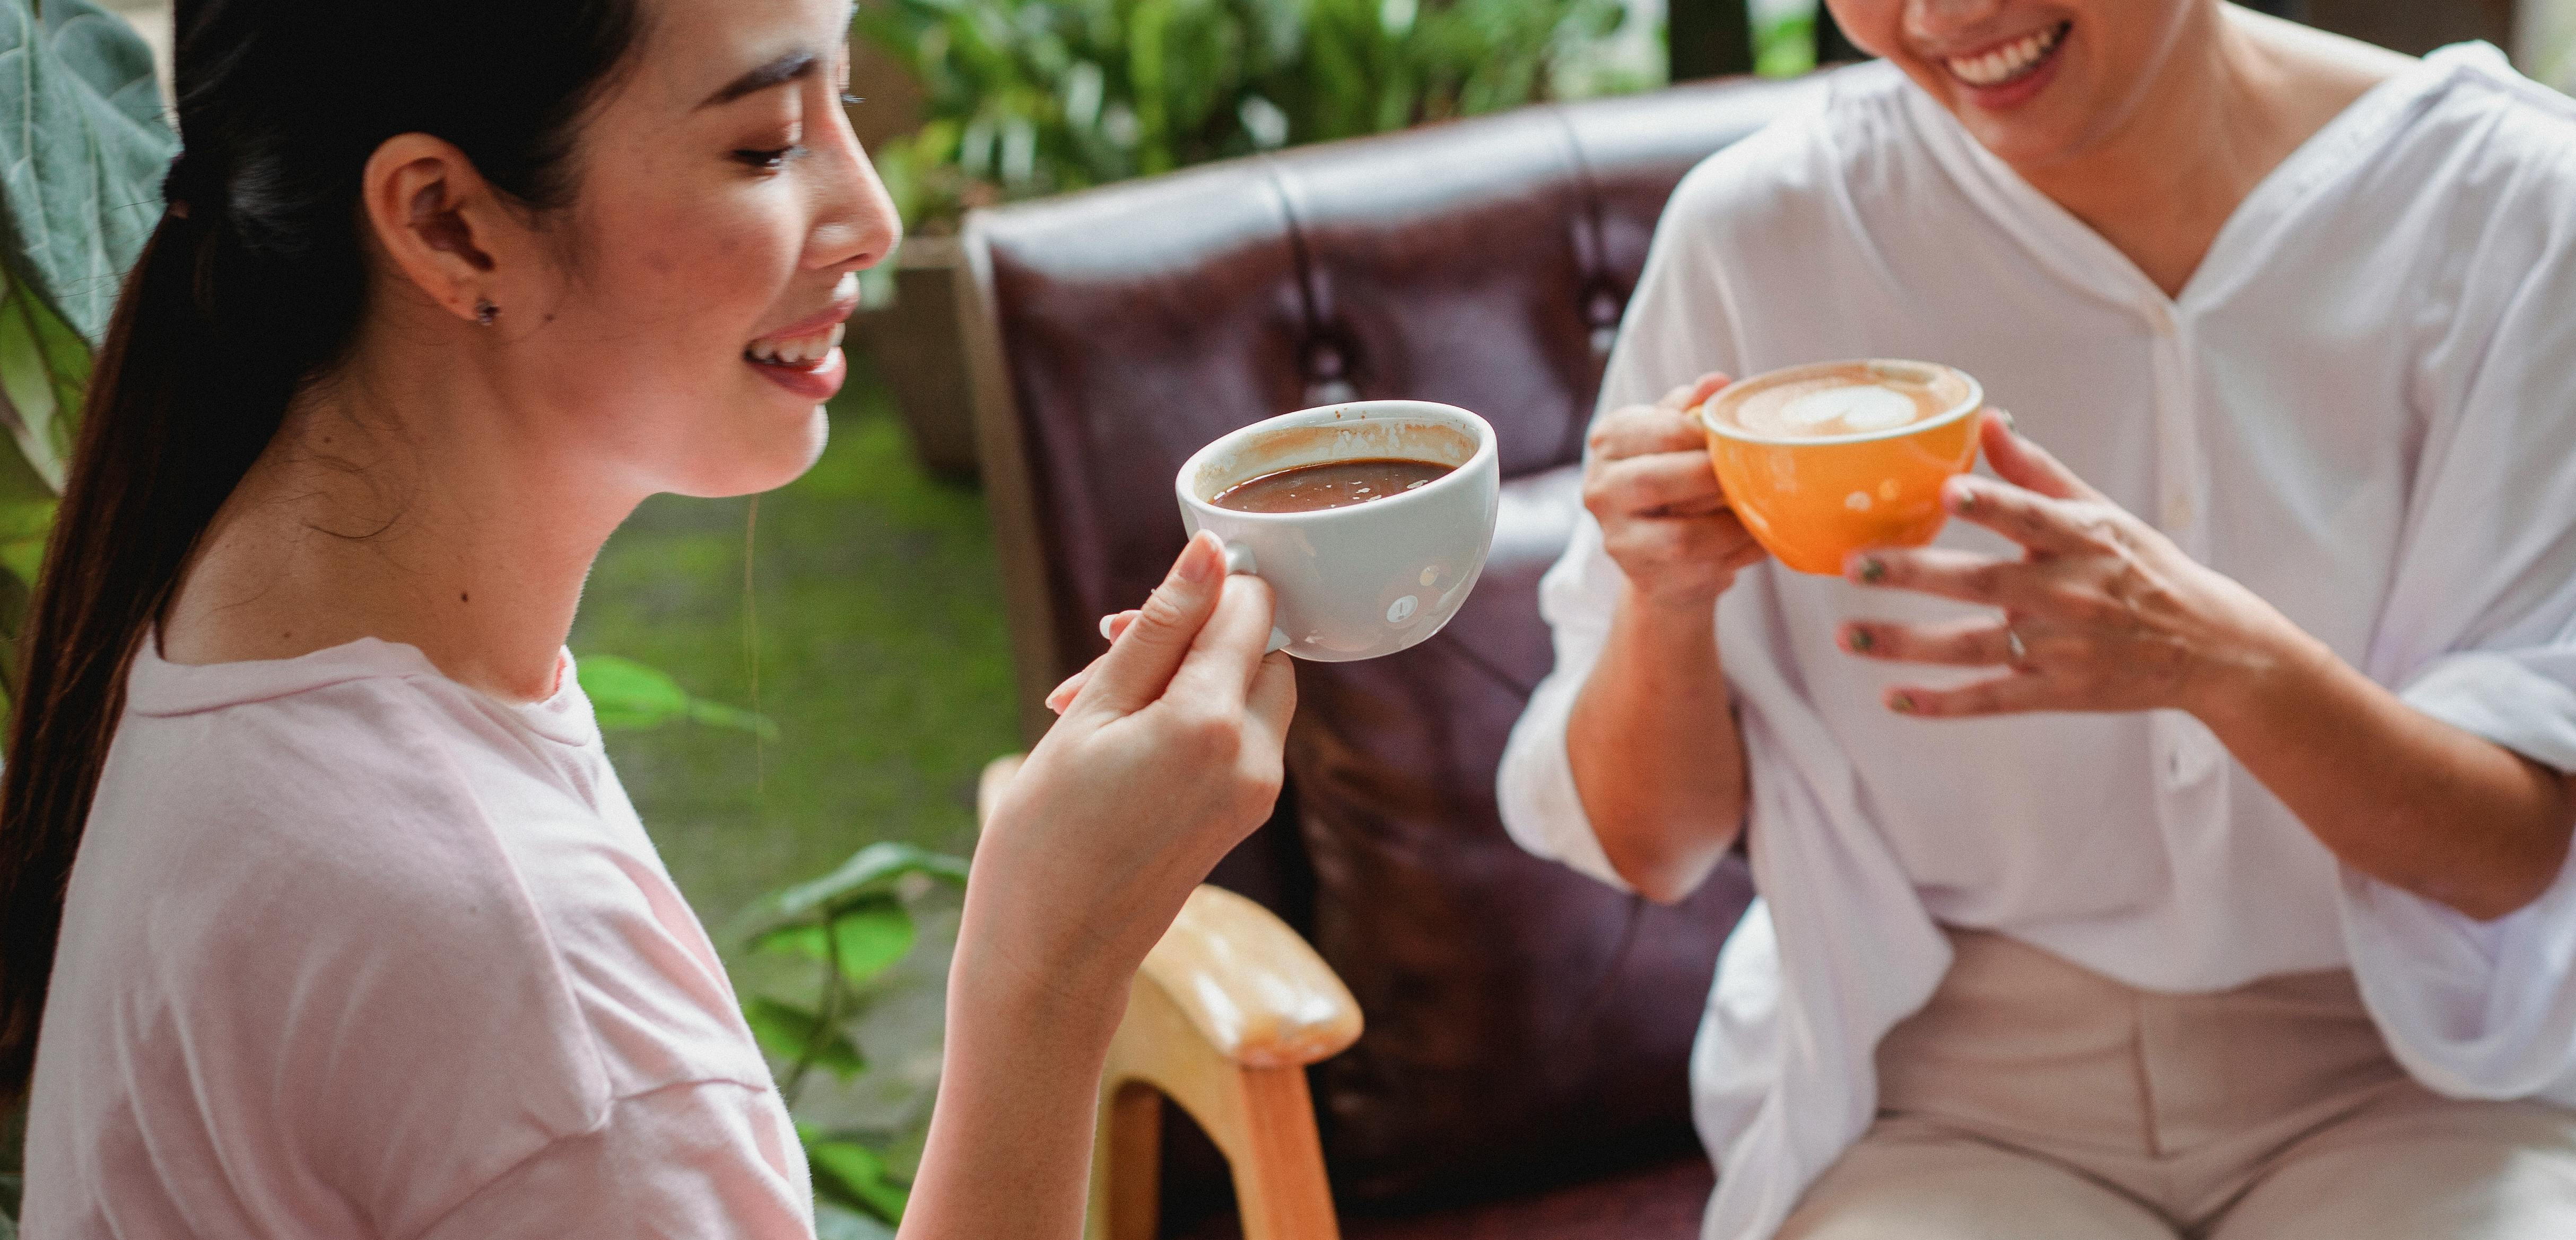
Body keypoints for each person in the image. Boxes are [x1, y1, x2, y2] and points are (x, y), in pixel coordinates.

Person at [0, 2, 1291, 1237]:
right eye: (767, 144)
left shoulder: (216, 628)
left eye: (840, 99)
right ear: (449, 225)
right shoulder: (506, 960)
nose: (872, 217)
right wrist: (1048, 970)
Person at [1499, 2, 2576, 1237]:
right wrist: (1664, 601)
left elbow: (2506, 852)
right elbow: (1654, 848)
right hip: (1939, 1098)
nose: (1943, 15)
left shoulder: (2515, 204)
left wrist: (2225, 663)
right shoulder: (1763, 233)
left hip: (2413, 1072)